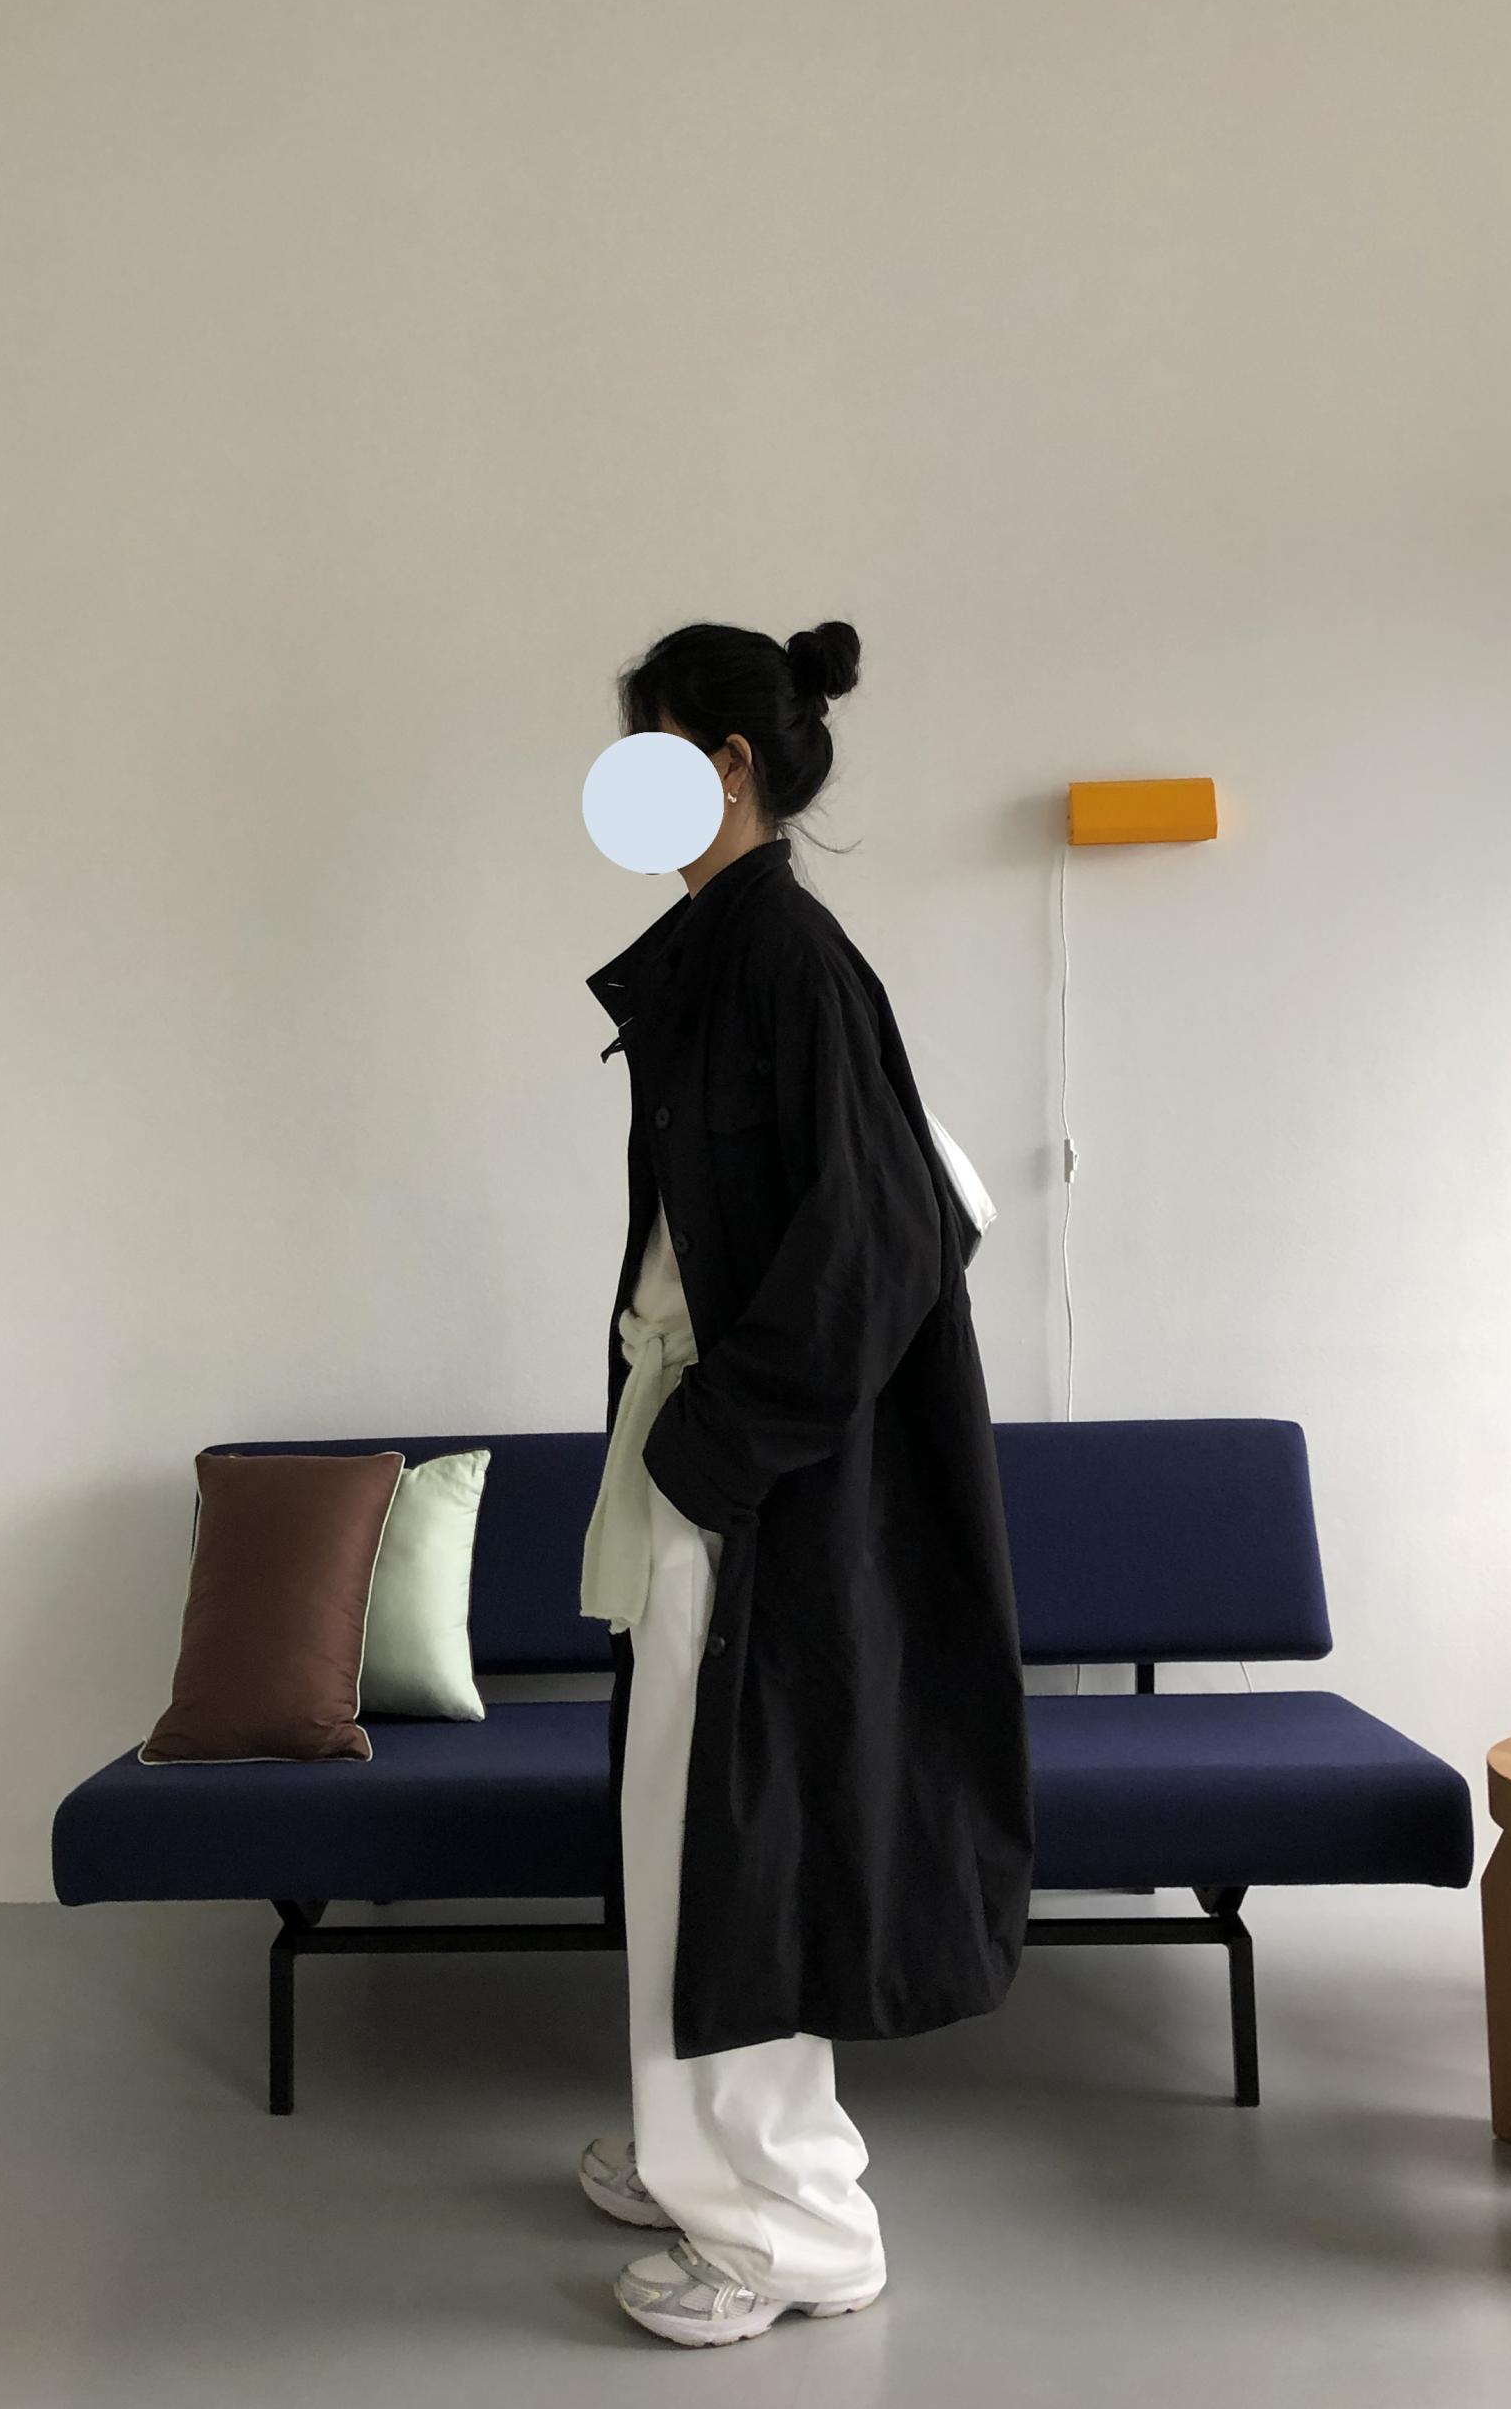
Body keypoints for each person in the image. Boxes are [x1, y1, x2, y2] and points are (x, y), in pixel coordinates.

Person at [575, 619, 1035, 2349]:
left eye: (648, 750)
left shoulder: (785, 955)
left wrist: (712, 1452)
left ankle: (791, 2228)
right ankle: (692, 2148)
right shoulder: (730, 946)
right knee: (679, 1820)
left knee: (733, 1833)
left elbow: (892, 1231)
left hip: (748, 1479)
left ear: (728, 765)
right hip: (708, 1454)